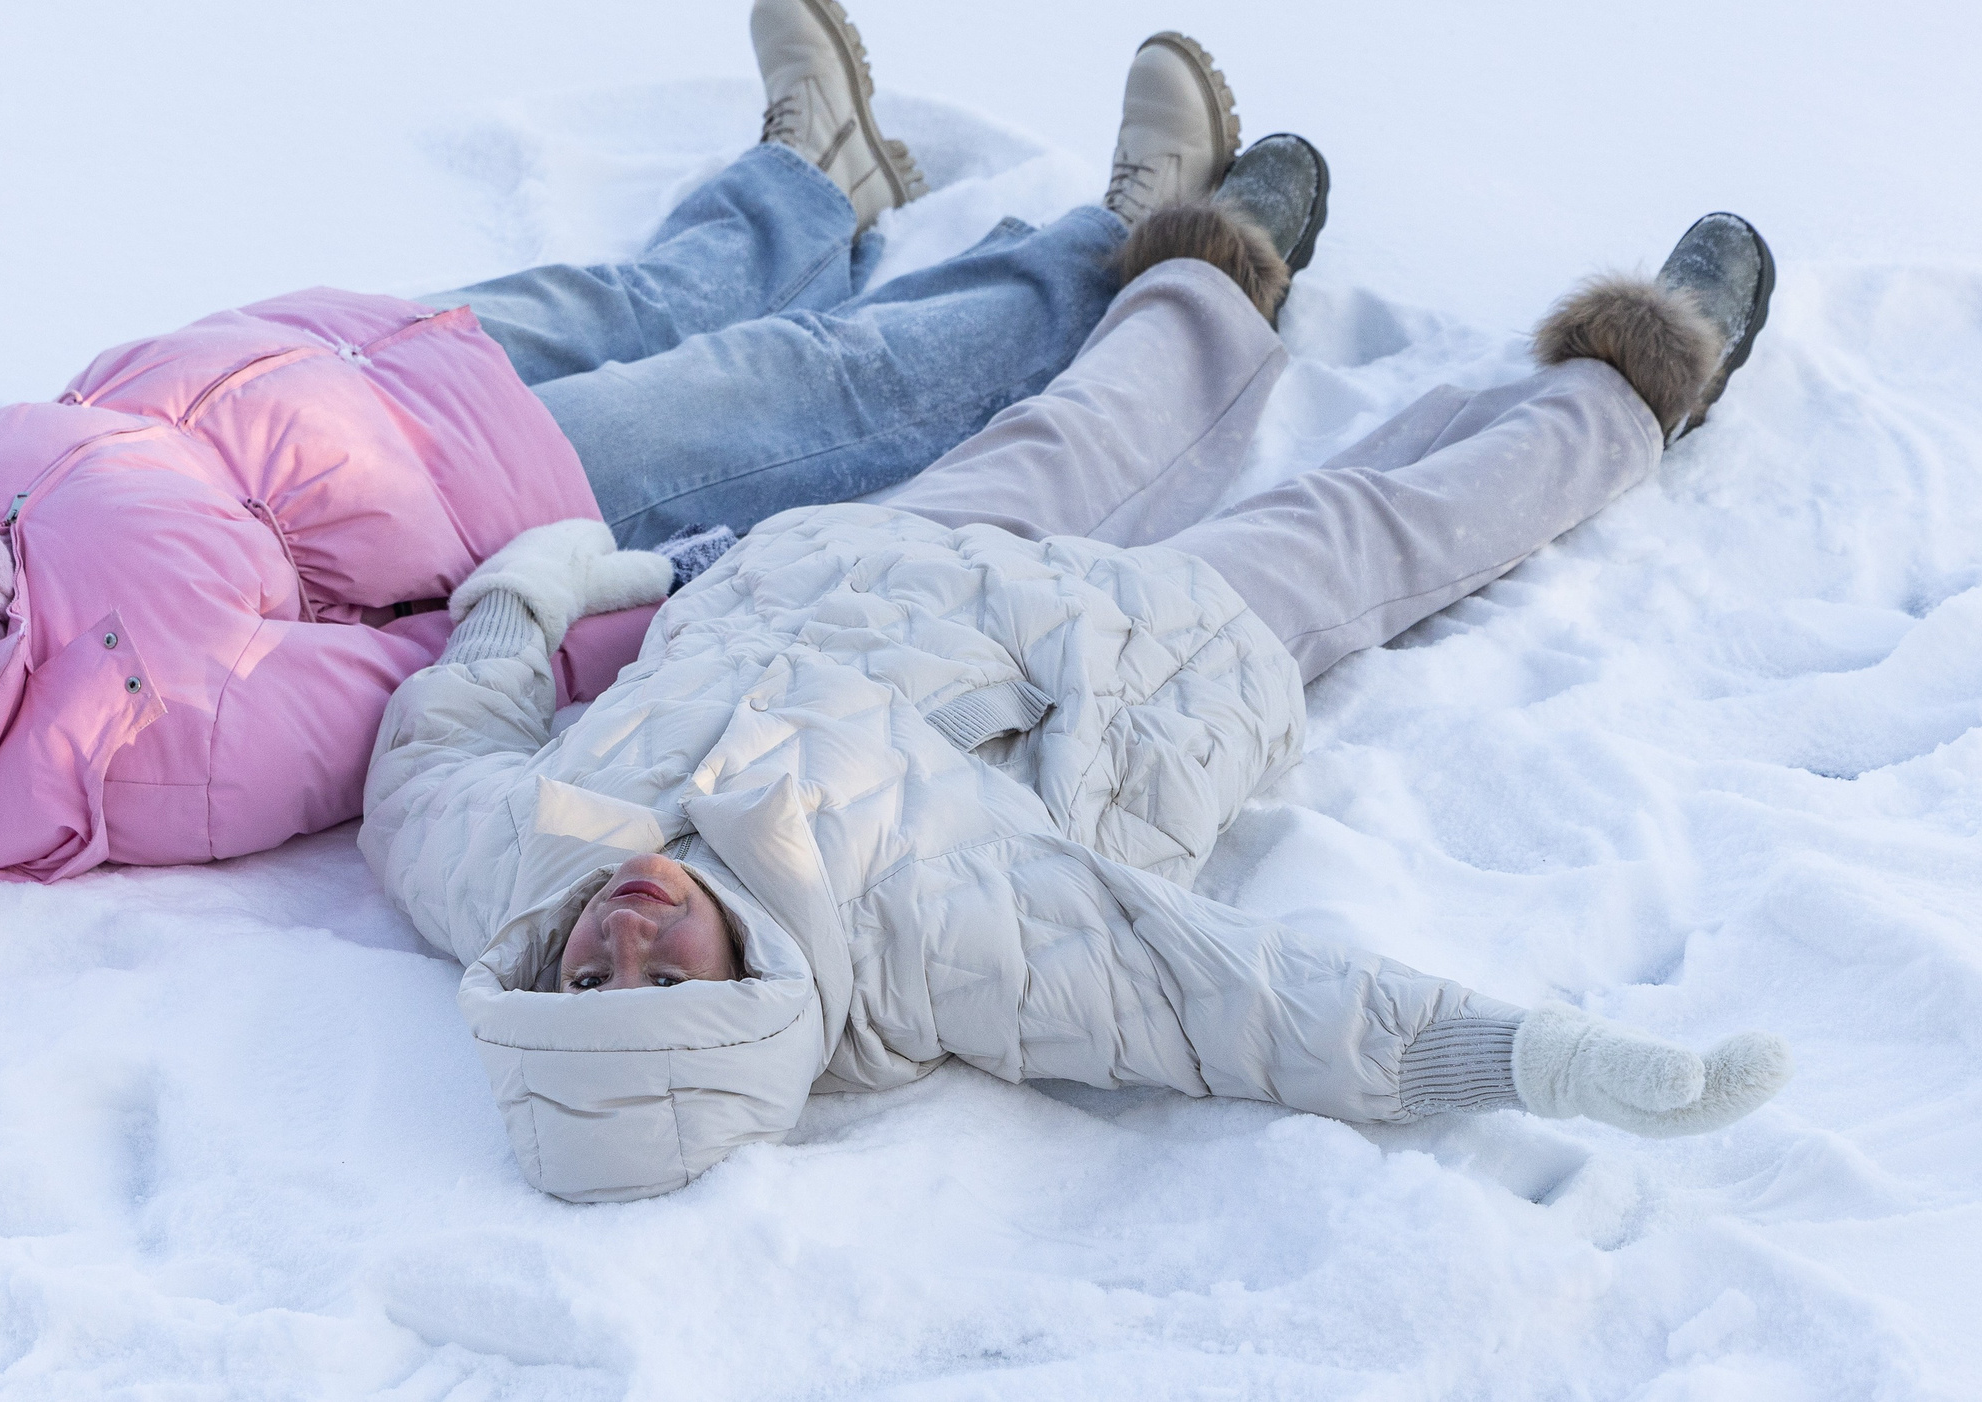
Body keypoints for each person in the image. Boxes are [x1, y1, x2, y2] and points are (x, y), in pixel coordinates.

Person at [358, 72, 1792, 1201]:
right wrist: (1533, 1053)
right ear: (752, 990)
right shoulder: (929, 935)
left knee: (1094, 417)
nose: (619, 935)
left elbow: (424, 773)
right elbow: (1232, 998)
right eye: (661, 979)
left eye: (586, 978)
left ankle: (1220, 271)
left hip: (881, 562)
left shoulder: (521, 866)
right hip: (1140, 670)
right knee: (1379, 524)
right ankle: (1634, 385)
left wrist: (516, 606)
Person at [0, 0, 1230, 899]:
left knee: (648, 287)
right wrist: (626, 600)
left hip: (338, 349)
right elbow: (412, 690)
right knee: (824, 386)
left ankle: (816, 175)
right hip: (501, 490)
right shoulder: (136, 752)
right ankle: (1128, 245)